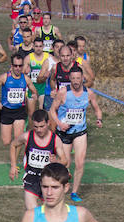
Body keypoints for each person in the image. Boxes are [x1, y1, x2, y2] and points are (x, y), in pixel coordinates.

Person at [48, 65, 103, 203]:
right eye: (73, 78)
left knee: (79, 163)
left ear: (83, 78)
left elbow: (97, 109)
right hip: (64, 132)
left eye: (78, 78)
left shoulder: (89, 93)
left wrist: (99, 119)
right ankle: (60, 186)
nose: (76, 81)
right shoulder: (63, 92)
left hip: (80, 132)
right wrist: (60, 124)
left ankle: (74, 192)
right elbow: (52, 111)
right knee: (64, 163)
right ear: (69, 79)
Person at [9, 109, 69, 209]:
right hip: (31, 177)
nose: (39, 130)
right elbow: (13, 145)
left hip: (49, 179)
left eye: (42, 126)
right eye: (36, 127)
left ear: (48, 123)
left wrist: (56, 161)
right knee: (32, 212)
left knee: (50, 212)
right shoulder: (27, 136)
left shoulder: (55, 140)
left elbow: (65, 161)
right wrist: (13, 165)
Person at [0, 55, 38, 146]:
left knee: (18, 140)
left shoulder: (26, 79)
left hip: (20, 111)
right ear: (11, 66)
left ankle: (14, 160)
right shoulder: (5, 77)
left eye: (20, 66)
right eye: (15, 66)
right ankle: (13, 154)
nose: (18, 68)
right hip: (6, 111)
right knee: (6, 142)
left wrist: (34, 94)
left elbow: (33, 90)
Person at [24, 40, 48, 114]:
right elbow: (23, 73)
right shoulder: (28, 58)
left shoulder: (48, 57)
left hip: (43, 87)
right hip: (32, 87)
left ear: (43, 47)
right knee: (31, 112)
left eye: (40, 46)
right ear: (33, 47)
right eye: (36, 46)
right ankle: (30, 124)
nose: (38, 48)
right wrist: (26, 72)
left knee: (42, 111)